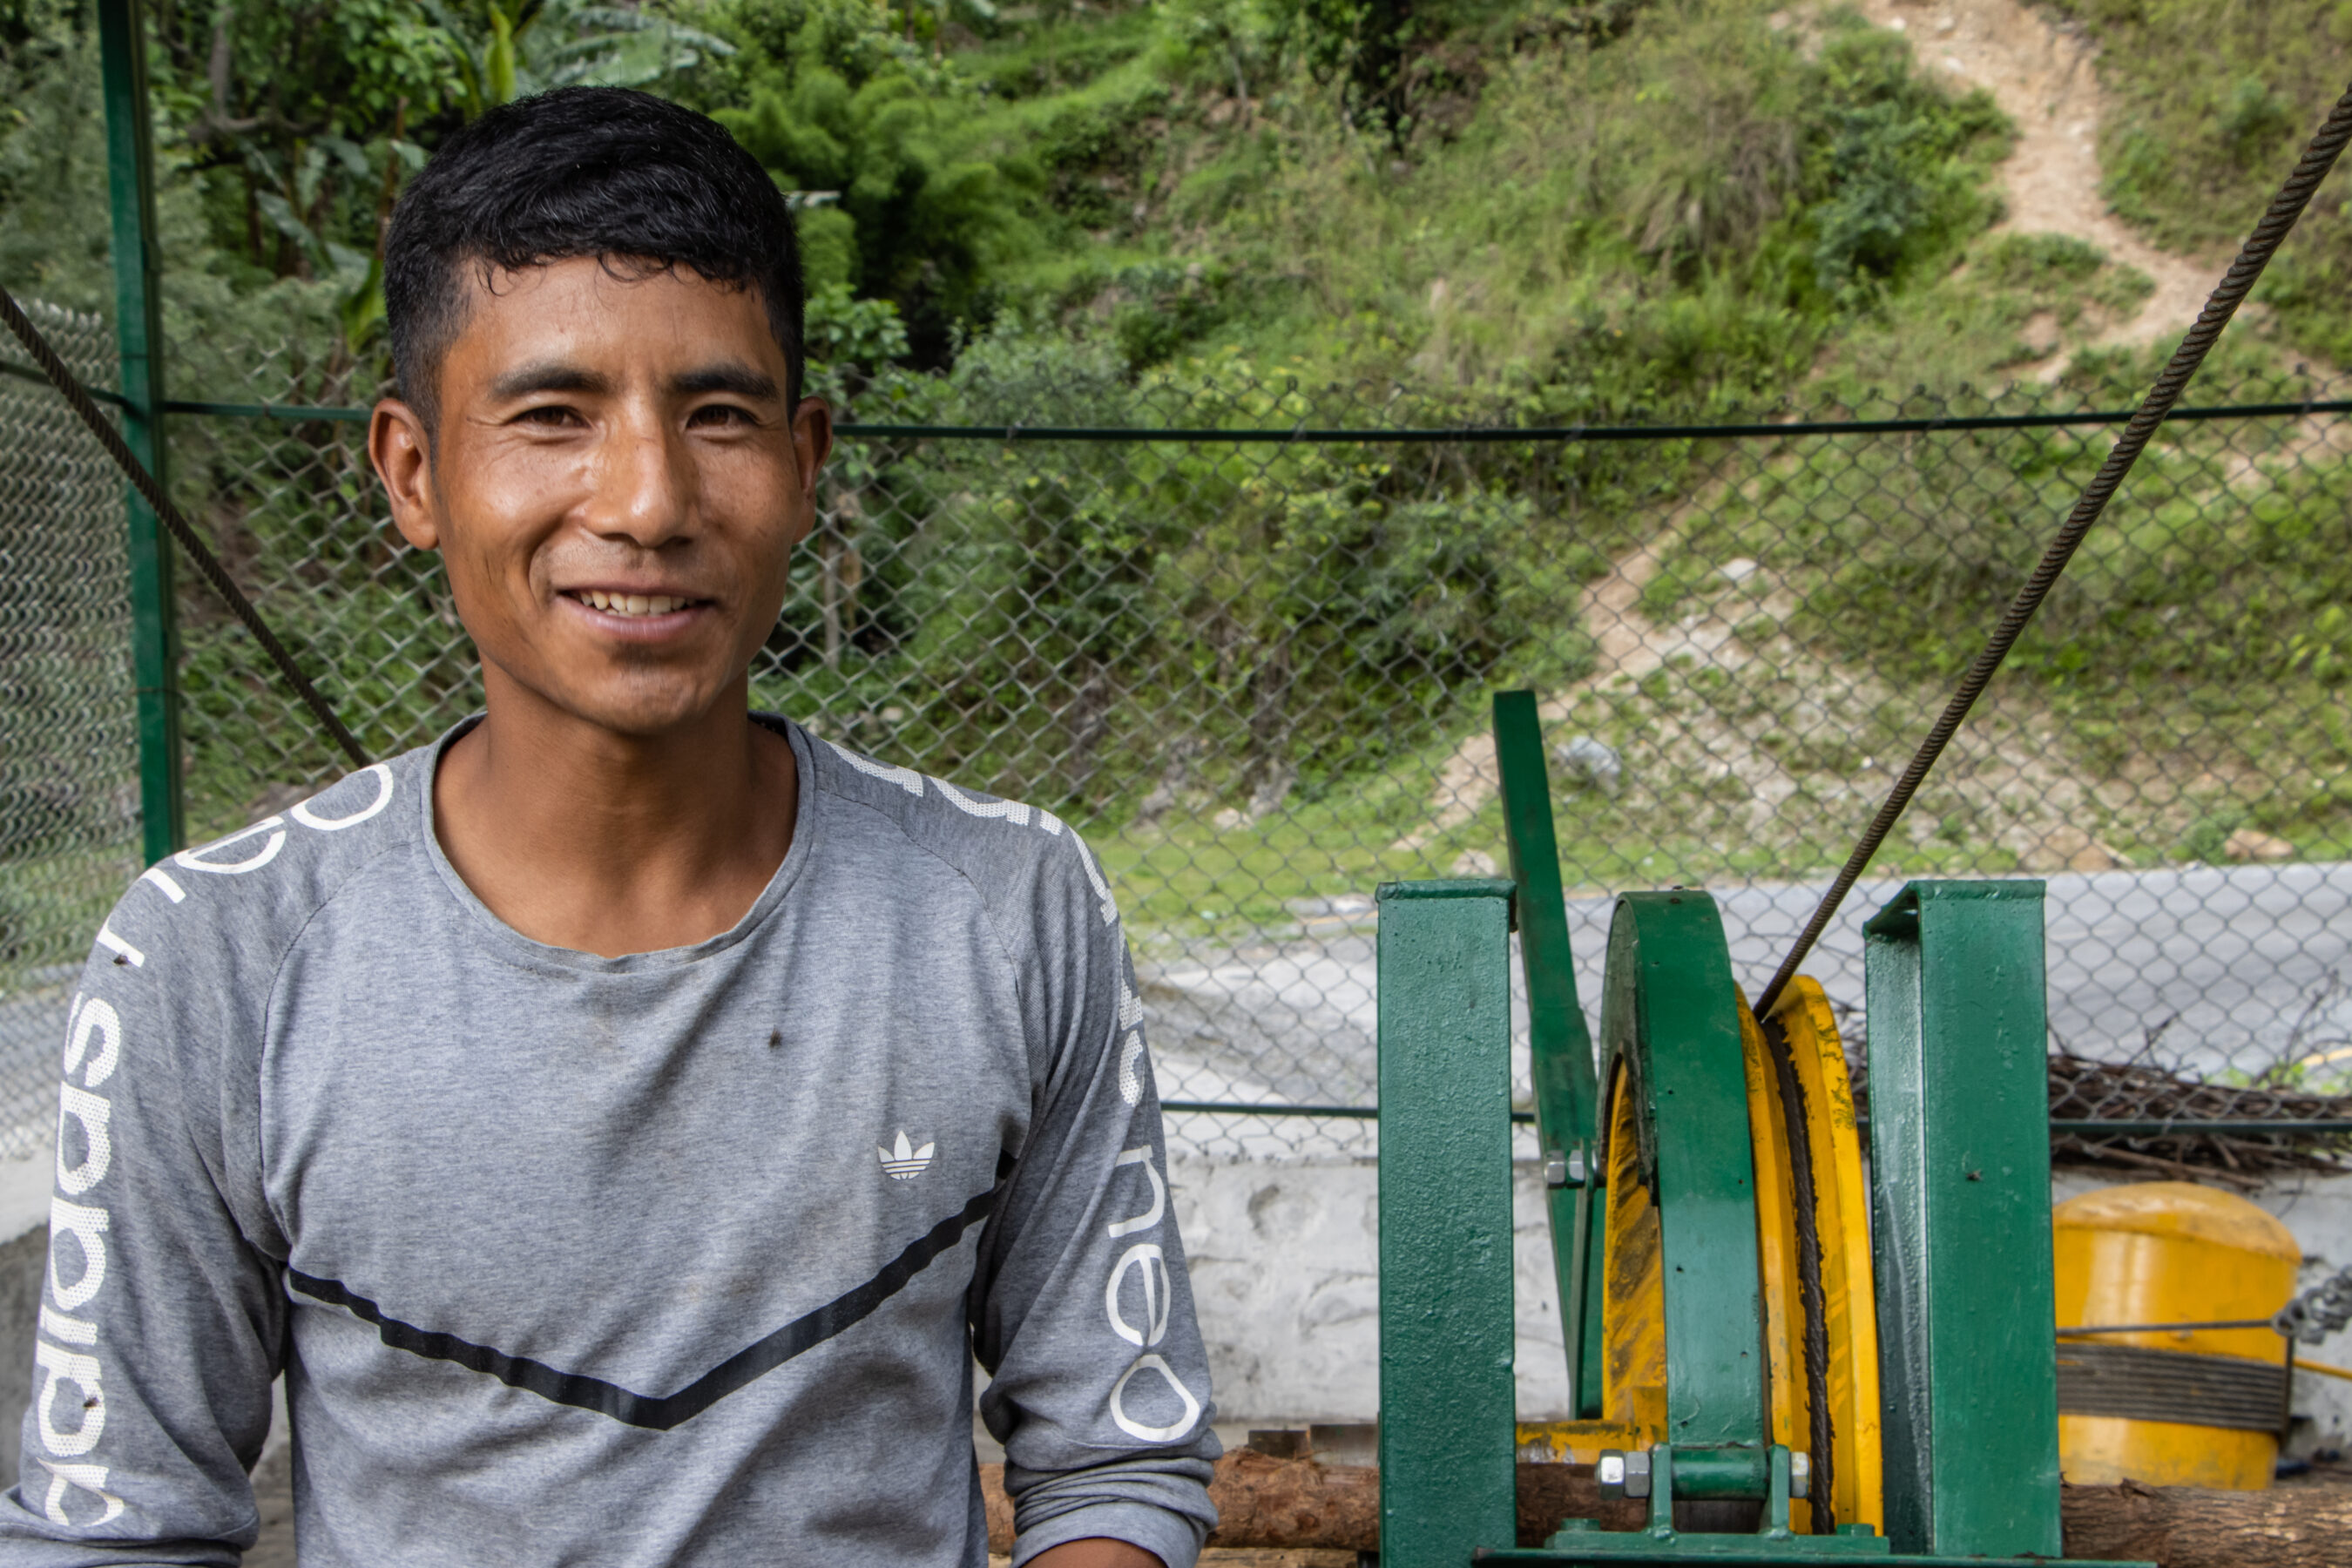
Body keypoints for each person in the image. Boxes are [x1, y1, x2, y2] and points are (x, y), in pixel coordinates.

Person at [0, 86, 1218, 1567]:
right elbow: (113, 1527)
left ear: (808, 459)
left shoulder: (1010, 905)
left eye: (718, 415)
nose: (647, 499)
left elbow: (1115, 1455)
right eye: (552, 417)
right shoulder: (213, 959)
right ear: (411, 471)